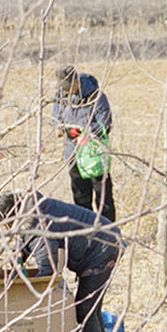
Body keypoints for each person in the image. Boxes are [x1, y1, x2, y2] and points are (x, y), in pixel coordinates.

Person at [0, 190, 123, 332]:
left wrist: (30, 300)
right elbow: (25, 238)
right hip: (103, 239)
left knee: (86, 309)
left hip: (103, 247)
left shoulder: (41, 224)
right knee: (91, 307)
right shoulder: (33, 211)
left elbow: (48, 270)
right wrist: (17, 254)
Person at [51, 66, 115, 222]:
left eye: (68, 88)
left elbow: (105, 124)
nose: (65, 92)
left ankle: (109, 233)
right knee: (81, 198)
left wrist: (84, 132)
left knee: (103, 198)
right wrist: (62, 129)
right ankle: (86, 234)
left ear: (76, 82)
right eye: (63, 89)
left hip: (95, 154)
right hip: (73, 154)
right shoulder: (60, 96)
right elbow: (56, 120)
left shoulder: (96, 96)